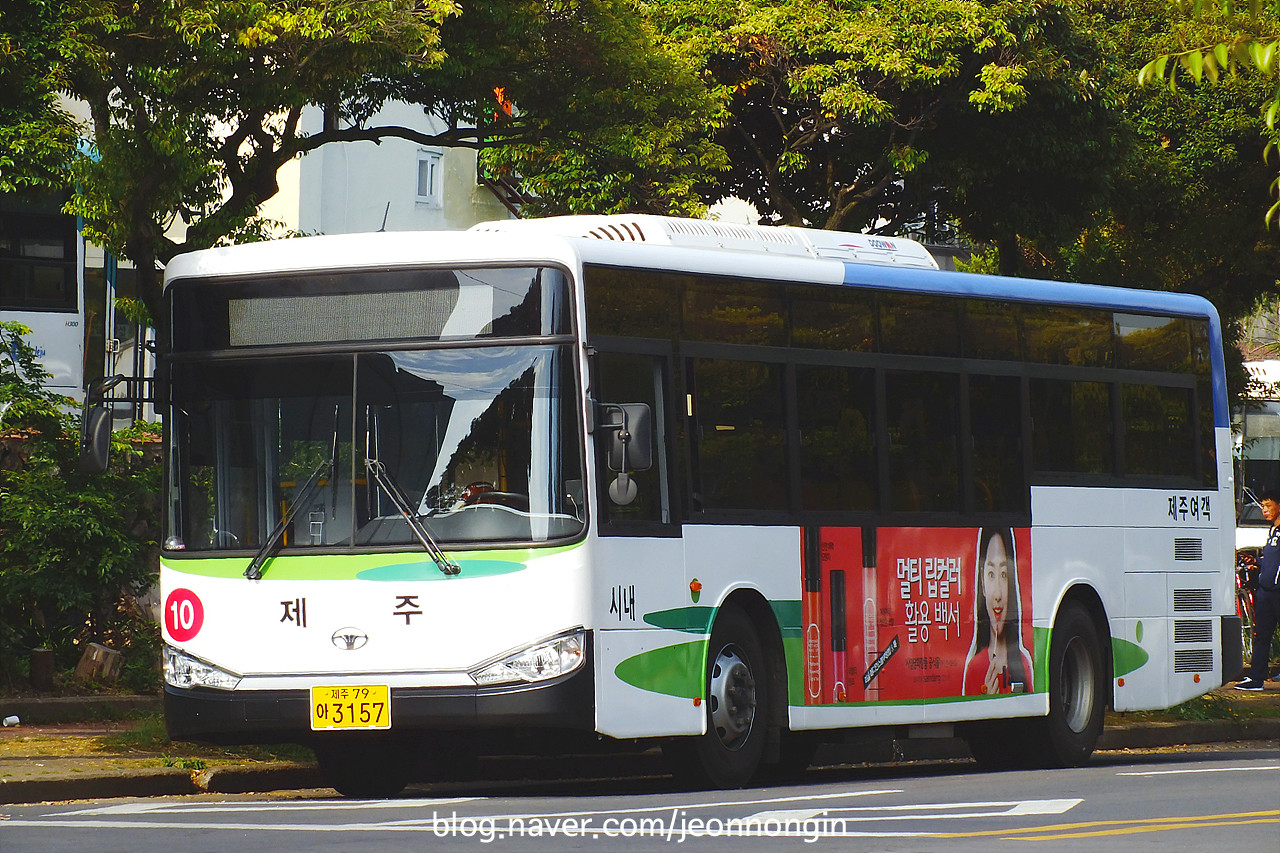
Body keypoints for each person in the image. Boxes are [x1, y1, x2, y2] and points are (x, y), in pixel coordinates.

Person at [964, 527, 1034, 695]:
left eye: (1004, 574)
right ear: (982, 582)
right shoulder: (974, 668)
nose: (997, 594)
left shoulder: (1023, 664)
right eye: (990, 574)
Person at [1236, 489, 1280, 691]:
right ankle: (1255, 678)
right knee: (1261, 635)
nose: (1264, 510)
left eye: (1268, 505)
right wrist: (1256, 562)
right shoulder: (1272, 531)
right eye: (1262, 506)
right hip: (1265, 592)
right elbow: (1271, 561)